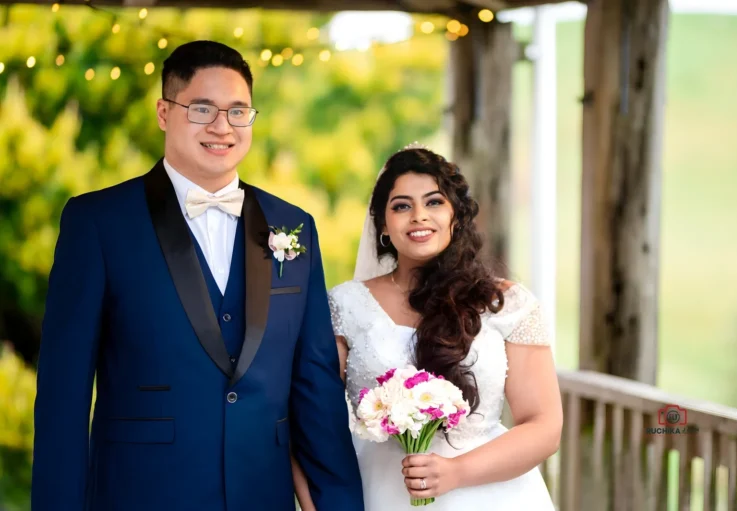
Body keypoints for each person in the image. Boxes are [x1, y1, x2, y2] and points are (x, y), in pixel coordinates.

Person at [31, 40, 364, 511]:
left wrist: (339, 503)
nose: (222, 127)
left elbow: (315, 384)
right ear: (164, 112)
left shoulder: (294, 226)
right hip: (140, 495)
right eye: (202, 108)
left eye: (238, 111)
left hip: (261, 495)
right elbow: (63, 396)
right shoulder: (97, 223)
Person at [293, 145, 562, 510]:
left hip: (488, 494)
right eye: (402, 206)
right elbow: (309, 417)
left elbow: (544, 426)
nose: (419, 216)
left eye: (434, 202)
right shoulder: (344, 306)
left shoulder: (507, 304)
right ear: (383, 225)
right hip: (379, 493)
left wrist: (456, 472)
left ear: (456, 215)